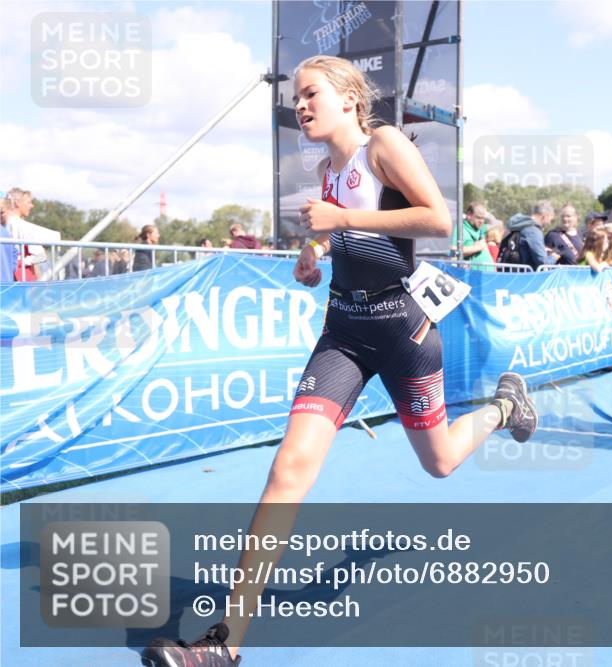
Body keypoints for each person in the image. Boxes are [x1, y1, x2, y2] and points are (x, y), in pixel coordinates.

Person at [143, 54, 540, 667]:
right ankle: (223, 646)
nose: (299, 105)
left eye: (311, 94)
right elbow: (341, 232)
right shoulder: (327, 168)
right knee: (289, 467)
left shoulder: (383, 144)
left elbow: (438, 217)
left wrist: (341, 220)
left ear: (350, 100)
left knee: (438, 462)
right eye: (296, 97)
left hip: (403, 329)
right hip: (344, 333)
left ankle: (503, 405)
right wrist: (314, 253)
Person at [6, 188, 46, 281]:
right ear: (18, 203)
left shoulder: (6, 224)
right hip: (21, 279)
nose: (31, 206)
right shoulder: (23, 226)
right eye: (28, 202)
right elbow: (41, 255)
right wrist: (20, 262)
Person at [505, 201, 557, 269]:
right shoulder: (533, 231)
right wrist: (554, 257)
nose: (549, 223)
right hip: (526, 276)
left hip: (507, 273)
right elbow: (543, 262)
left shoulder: (516, 226)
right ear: (545, 216)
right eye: (550, 220)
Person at [460, 202, 492, 267]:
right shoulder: (460, 228)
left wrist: (486, 213)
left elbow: (497, 223)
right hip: (472, 275)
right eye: (478, 217)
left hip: (487, 274)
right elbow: (454, 252)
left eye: (483, 218)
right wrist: (477, 248)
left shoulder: (481, 228)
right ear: (469, 215)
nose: (481, 221)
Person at [0, 194, 18, 282]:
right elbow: (14, 258)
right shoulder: (6, 233)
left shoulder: (6, 232)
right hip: (6, 284)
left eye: (1, 212)